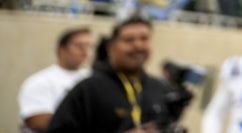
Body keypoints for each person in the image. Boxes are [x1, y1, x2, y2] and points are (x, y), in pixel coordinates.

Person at [46, 16, 176, 132]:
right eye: (129, 40)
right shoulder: (89, 89)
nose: (138, 45)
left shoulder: (159, 88)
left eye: (144, 39)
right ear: (110, 48)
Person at [17, 27, 93, 132]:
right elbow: (39, 122)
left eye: (89, 46)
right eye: (79, 46)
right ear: (61, 50)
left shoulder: (94, 78)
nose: (85, 51)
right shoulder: (39, 81)